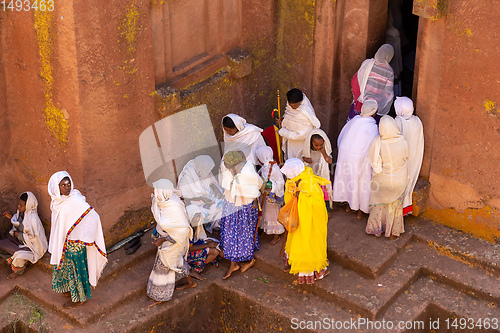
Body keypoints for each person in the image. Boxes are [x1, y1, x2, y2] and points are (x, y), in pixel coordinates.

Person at [48, 171, 107, 309]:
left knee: (75, 269)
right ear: (56, 187)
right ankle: (69, 289)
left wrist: (82, 236)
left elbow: (94, 218)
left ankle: (79, 297)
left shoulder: (75, 199)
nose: (67, 187)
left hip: (75, 244)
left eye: (68, 184)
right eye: (63, 185)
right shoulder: (56, 201)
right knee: (64, 267)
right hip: (63, 243)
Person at [145, 179, 196, 308]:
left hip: (174, 241)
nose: (155, 193)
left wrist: (163, 240)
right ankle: (191, 283)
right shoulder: (165, 201)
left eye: (157, 191)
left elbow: (183, 231)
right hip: (170, 239)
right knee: (177, 262)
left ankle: (159, 296)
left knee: (162, 267)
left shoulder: (173, 208)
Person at [280, 158, 330, 285]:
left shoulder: (300, 183)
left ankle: (305, 267)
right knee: (305, 242)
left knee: (303, 242)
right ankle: (312, 270)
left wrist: (298, 196)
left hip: (303, 222)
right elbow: (317, 205)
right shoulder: (301, 180)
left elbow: (316, 204)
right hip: (304, 221)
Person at [219, 151, 263, 279]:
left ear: (236, 164)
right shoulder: (230, 171)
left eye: (229, 166)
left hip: (244, 207)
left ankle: (247, 260)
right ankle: (234, 263)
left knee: (243, 232)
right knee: (232, 233)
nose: (227, 169)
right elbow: (227, 184)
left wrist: (255, 199)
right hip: (231, 205)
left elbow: (258, 186)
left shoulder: (249, 174)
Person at [333, 100, 380, 218]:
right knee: (362, 182)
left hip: (345, 153)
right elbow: (374, 147)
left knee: (348, 179)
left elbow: (341, 137)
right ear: (374, 112)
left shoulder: (354, 121)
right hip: (360, 157)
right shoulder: (373, 127)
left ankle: (349, 206)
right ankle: (360, 211)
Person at [365, 116, 409, 239]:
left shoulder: (377, 142)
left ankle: (376, 229)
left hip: (382, 181)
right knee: (394, 207)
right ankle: (392, 232)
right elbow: (406, 157)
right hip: (399, 181)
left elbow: (374, 163)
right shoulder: (404, 142)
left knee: (379, 206)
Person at [2, 192, 47, 280]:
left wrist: (19, 235)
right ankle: (17, 259)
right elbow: (19, 225)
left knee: (19, 256)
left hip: (33, 248)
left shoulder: (33, 218)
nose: (18, 206)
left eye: (21, 205)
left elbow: (34, 238)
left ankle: (18, 271)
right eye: (18, 204)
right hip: (22, 243)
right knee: (2, 245)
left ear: (28, 205)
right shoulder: (20, 213)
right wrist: (11, 218)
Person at [348, 44, 395, 122]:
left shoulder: (368, 63)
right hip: (375, 108)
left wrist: (358, 96)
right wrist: (380, 103)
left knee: (355, 126)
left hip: (361, 103)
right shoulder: (389, 71)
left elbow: (357, 80)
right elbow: (388, 93)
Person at [177, 155, 224, 231]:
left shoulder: (203, 170)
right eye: (208, 170)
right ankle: (212, 225)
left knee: (223, 202)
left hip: (208, 198)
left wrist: (216, 190)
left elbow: (211, 182)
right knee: (199, 214)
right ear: (202, 169)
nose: (209, 172)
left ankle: (216, 225)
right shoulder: (186, 178)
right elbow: (184, 197)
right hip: (194, 203)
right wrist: (201, 198)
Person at [394, 97, 424, 216]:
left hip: (400, 161)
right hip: (413, 159)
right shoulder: (417, 121)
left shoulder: (397, 123)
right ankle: (404, 207)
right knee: (408, 181)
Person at [278, 88, 321, 160]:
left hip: (301, 145)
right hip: (291, 144)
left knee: (300, 165)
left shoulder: (305, 113)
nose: (292, 107)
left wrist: (282, 132)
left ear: (300, 101)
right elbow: (289, 118)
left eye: (294, 105)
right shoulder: (290, 107)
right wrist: (282, 121)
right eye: (290, 104)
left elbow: (302, 135)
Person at [255, 146, 285, 246]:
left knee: (273, 216)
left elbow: (280, 183)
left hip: (271, 197)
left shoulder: (274, 168)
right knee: (265, 214)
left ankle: (276, 236)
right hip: (264, 195)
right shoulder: (264, 167)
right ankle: (266, 229)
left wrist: (271, 185)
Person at [299, 129, 333, 211]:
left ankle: (326, 210)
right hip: (311, 177)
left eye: (321, 145)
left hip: (322, 177)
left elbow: (330, 161)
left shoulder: (324, 150)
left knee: (325, 195)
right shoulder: (307, 150)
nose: (319, 147)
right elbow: (300, 159)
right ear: (311, 143)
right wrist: (304, 159)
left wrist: (324, 153)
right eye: (316, 145)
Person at [185, 204, 222, 279]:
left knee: (217, 245)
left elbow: (201, 235)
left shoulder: (196, 223)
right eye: (195, 218)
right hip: (186, 253)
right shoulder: (186, 229)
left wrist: (209, 241)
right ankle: (193, 270)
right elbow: (188, 248)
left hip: (195, 244)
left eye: (198, 217)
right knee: (215, 252)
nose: (197, 220)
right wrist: (207, 245)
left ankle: (233, 262)